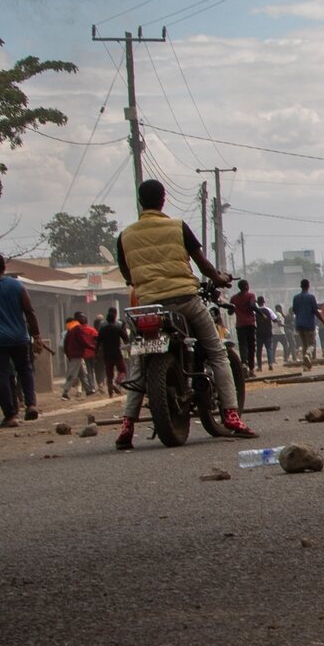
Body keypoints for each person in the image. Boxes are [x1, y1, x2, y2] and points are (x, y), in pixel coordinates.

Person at [113, 179, 255, 448]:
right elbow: (204, 265)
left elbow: (128, 275)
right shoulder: (177, 227)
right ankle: (232, 415)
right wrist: (220, 278)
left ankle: (127, 425)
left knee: (137, 363)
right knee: (216, 351)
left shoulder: (125, 236)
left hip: (148, 305)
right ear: (163, 200)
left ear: (140, 203)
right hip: (184, 300)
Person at [0, 253, 41, 428]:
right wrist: (36, 335)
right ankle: (31, 404)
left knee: (1, 376)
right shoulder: (17, 286)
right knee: (25, 369)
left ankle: (10, 415)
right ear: (4, 267)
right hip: (20, 337)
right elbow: (29, 311)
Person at [229, 279, 258, 373]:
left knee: (242, 345)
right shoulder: (251, 295)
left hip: (240, 325)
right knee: (251, 346)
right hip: (250, 324)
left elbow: (230, 312)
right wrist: (261, 313)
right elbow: (252, 306)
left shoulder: (234, 298)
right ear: (246, 286)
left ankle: (244, 363)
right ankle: (251, 368)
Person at [290, 278, 319, 366]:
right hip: (309, 324)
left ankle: (306, 366)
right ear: (308, 286)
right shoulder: (311, 297)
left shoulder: (296, 297)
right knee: (312, 344)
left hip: (299, 324)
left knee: (304, 344)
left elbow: (294, 310)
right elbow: (316, 311)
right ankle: (308, 354)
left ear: (301, 286)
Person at [98, 305, 126, 394]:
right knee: (122, 370)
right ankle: (117, 384)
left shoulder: (102, 325)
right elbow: (125, 337)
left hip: (106, 352)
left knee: (109, 373)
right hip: (118, 351)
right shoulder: (119, 324)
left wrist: (97, 351)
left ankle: (110, 391)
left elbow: (99, 339)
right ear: (116, 314)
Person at [255, 294, 277, 369]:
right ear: (264, 302)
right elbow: (274, 320)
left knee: (259, 350)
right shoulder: (268, 310)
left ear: (257, 303)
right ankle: (270, 363)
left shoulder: (255, 312)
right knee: (269, 349)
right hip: (268, 332)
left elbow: (254, 322)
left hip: (259, 333)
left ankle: (259, 366)